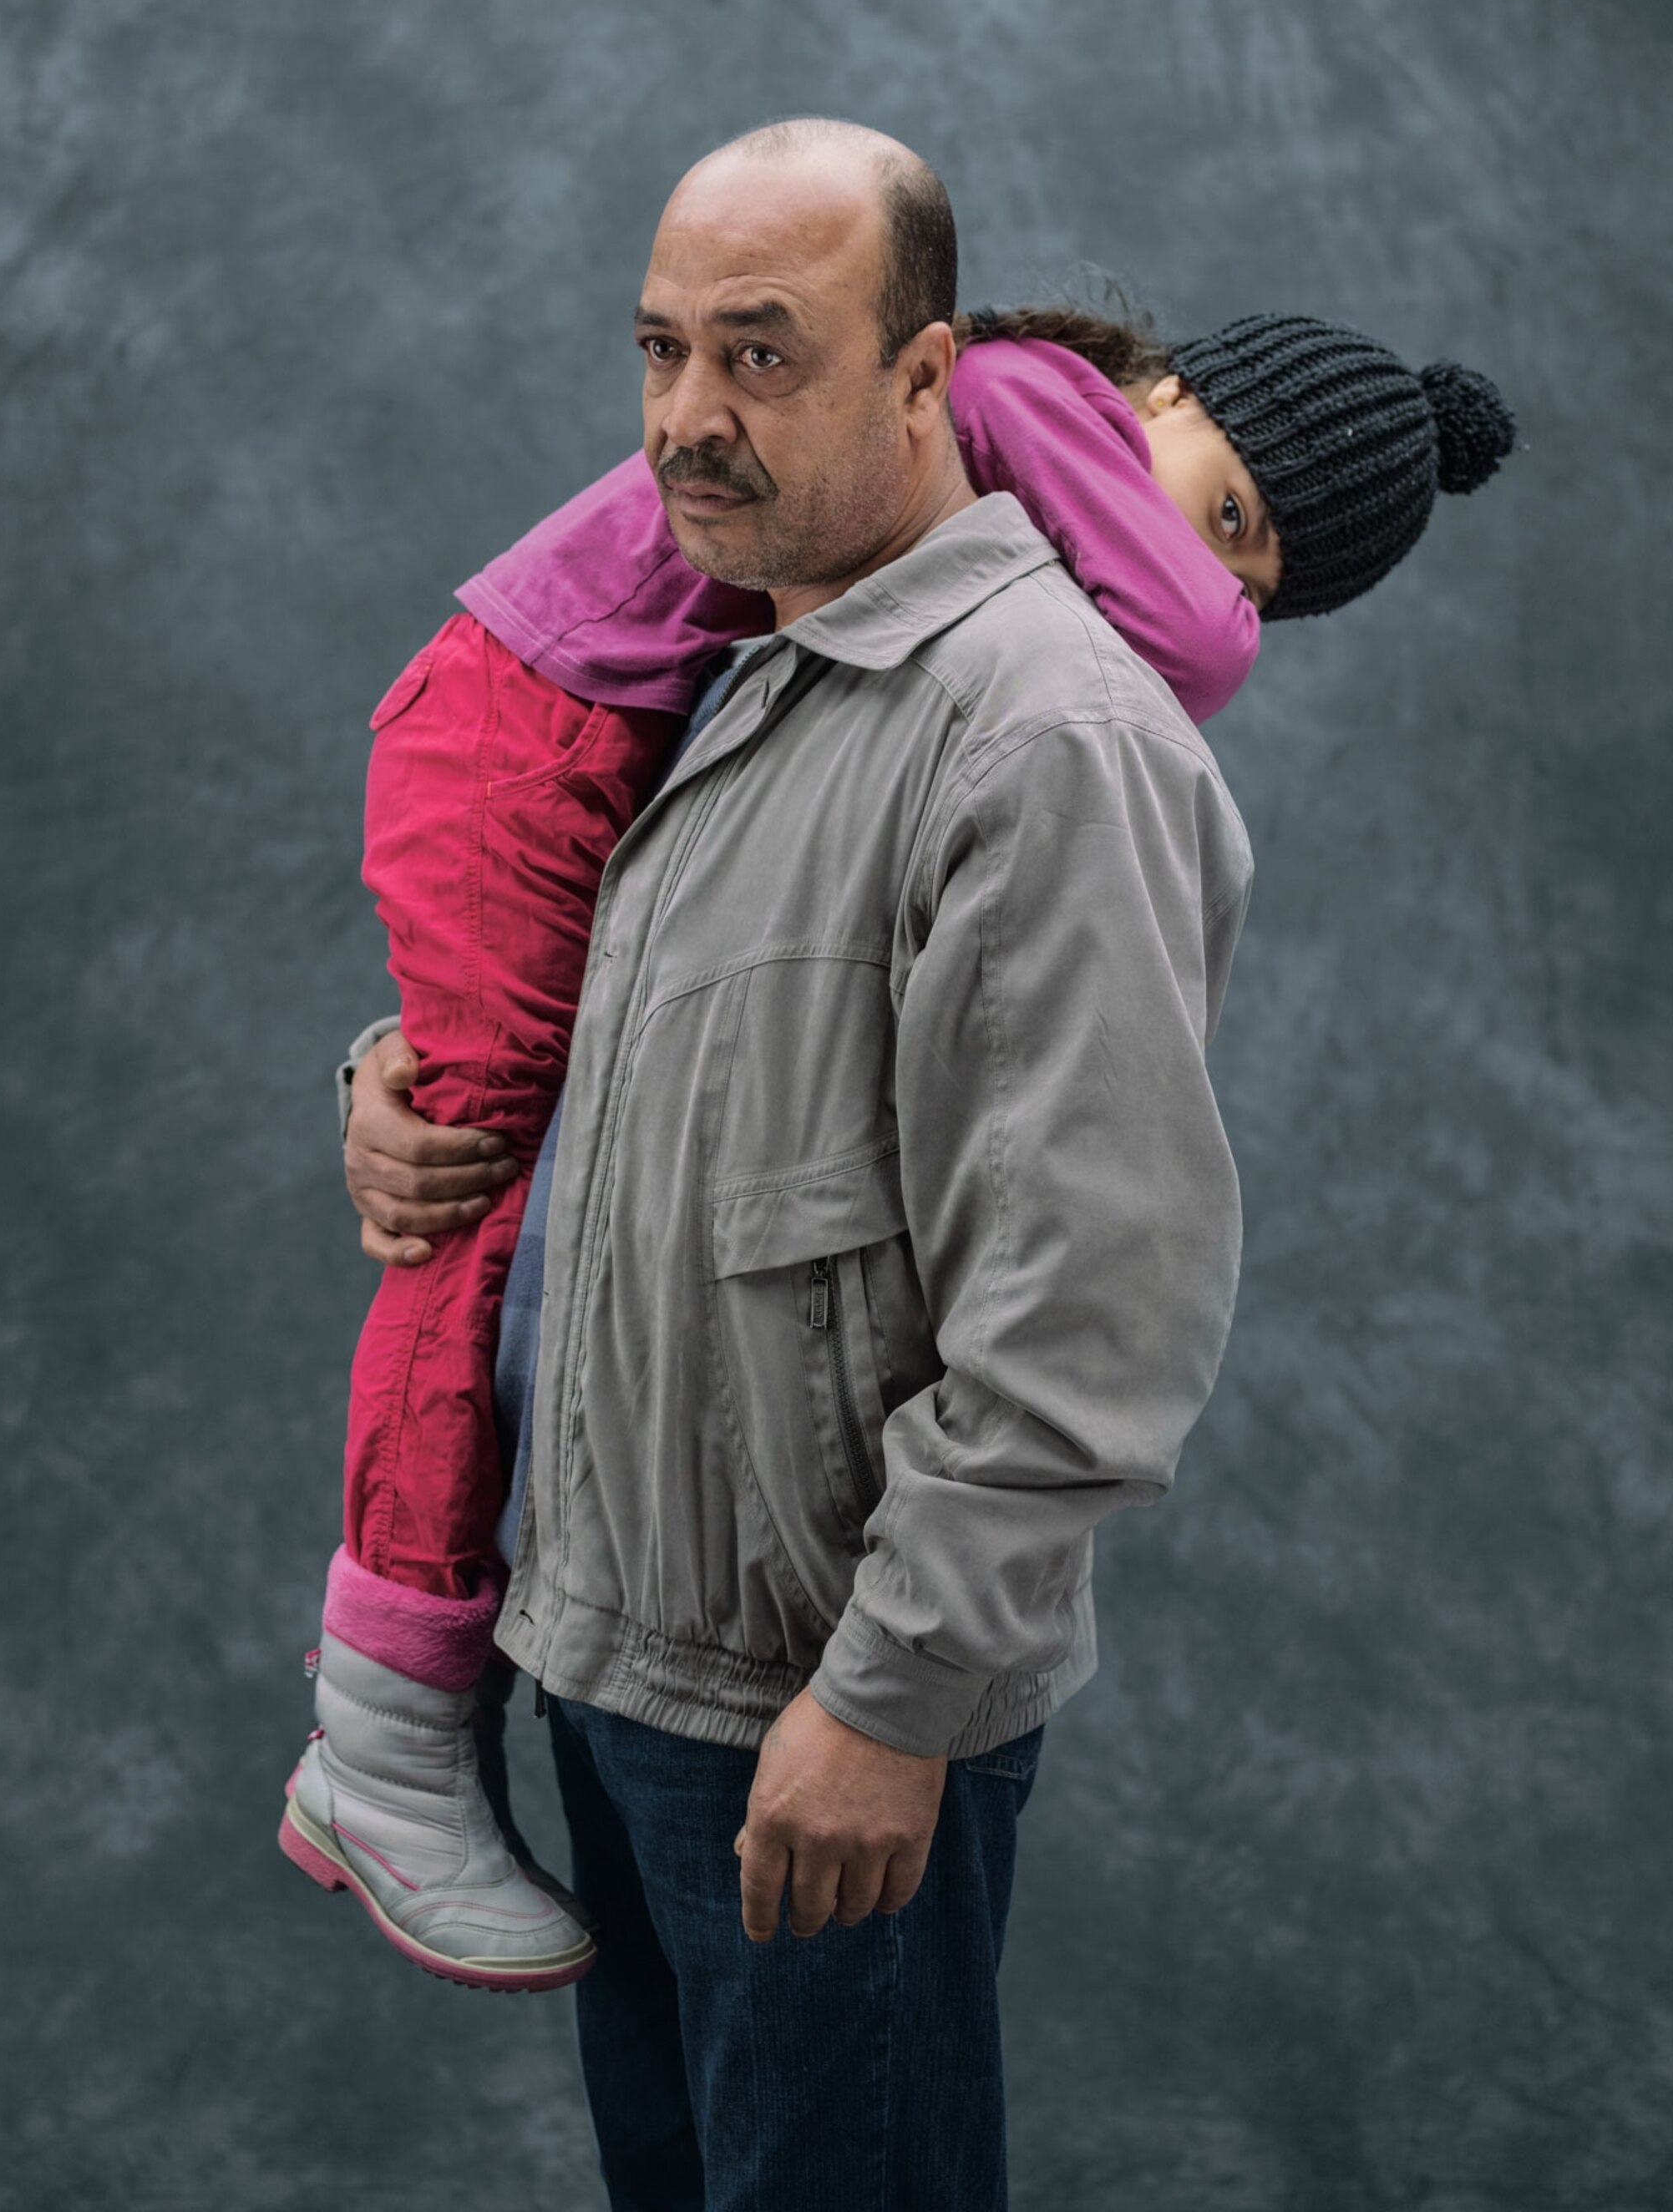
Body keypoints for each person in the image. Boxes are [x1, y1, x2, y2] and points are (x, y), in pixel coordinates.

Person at [291, 121, 1515, 2202]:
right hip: (606, 1660)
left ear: (935, 378)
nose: (691, 417)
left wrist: (898, 1700)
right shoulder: (744, 655)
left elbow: (1091, 1300)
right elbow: (650, 1053)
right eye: (664, 351)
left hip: (808, 1716)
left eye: (763, 357)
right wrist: (408, 1089)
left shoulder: (1046, 732)